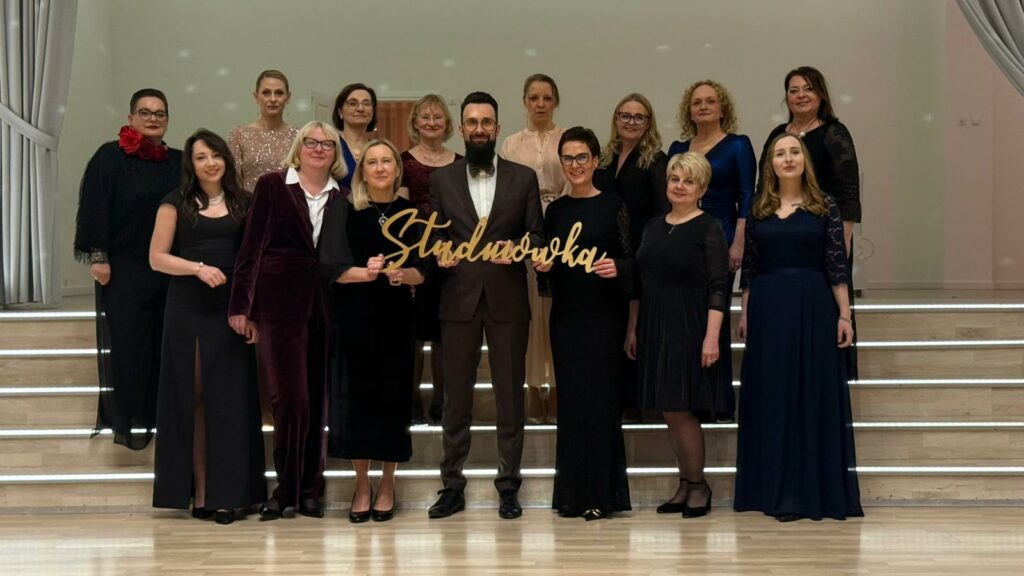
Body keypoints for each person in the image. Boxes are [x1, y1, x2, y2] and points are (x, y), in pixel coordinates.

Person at [427, 91, 544, 520]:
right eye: (472, 122)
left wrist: (519, 248)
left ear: (497, 127)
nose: (479, 129)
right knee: (455, 398)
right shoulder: (441, 180)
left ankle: (508, 486)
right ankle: (451, 485)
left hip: (507, 300)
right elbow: (434, 234)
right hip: (457, 299)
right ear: (462, 128)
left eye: (486, 122)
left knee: (510, 397)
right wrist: (439, 250)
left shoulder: (523, 177)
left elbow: (537, 234)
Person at [734, 133, 862, 522]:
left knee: (811, 395)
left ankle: (810, 491)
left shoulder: (826, 206)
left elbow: (837, 265)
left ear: (804, 159)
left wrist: (845, 315)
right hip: (768, 309)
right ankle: (774, 490)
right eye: (780, 153)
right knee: (773, 396)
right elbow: (750, 269)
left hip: (814, 307)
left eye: (794, 152)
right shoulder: (758, 208)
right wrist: (745, 314)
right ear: (770, 164)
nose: (787, 158)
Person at [227, 121, 347, 521]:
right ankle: (285, 490)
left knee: (317, 400)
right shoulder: (272, 186)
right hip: (279, 307)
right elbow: (251, 248)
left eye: (327, 144)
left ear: (335, 153)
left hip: (326, 306)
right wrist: (241, 306)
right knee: (289, 399)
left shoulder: (343, 197)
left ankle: (311, 490)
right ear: (299, 148)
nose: (318, 148)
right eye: (311, 142)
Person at [150, 129, 266, 525]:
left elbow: (255, 261)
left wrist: (251, 312)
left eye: (216, 155)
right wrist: (197, 268)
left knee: (230, 401)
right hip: (188, 307)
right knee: (195, 400)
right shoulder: (175, 203)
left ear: (226, 159)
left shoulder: (245, 202)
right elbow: (157, 258)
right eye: (201, 157)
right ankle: (201, 492)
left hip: (232, 308)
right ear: (191, 164)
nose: (210, 163)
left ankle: (229, 496)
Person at [320, 139, 428, 523]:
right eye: (372, 162)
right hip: (353, 317)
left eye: (387, 161)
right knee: (357, 403)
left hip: (395, 318)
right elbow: (330, 267)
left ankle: (387, 483)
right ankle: (362, 484)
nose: (380, 168)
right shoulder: (344, 209)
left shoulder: (411, 213)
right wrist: (364, 273)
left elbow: (424, 270)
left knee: (392, 402)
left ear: (397, 169)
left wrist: (403, 274)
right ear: (362, 171)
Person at [74, 88, 183, 450]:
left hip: (167, 268)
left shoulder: (178, 161)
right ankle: (129, 419)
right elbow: (94, 206)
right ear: (131, 117)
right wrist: (99, 257)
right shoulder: (110, 157)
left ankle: (162, 416)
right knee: (129, 344)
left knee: (165, 343)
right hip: (124, 268)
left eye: (160, 113)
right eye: (145, 112)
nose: (153, 119)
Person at [536, 127, 632, 520]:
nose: (574, 165)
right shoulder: (555, 211)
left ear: (595, 161)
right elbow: (548, 271)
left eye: (581, 157)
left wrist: (619, 267)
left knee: (602, 403)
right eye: (568, 158)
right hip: (567, 318)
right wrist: (543, 266)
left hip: (605, 316)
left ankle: (602, 496)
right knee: (572, 405)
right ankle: (572, 496)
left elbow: (632, 261)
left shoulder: (614, 205)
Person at [628, 152, 731, 519]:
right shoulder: (653, 226)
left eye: (689, 181)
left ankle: (699, 485)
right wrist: (633, 328)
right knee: (669, 410)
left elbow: (719, 285)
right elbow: (638, 282)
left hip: (692, 326)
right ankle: (685, 483)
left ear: (701, 189)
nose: (680, 186)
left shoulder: (709, 227)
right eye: (675, 179)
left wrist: (711, 337)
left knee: (680, 408)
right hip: (656, 324)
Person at [756, 66, 861, 377]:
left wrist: (843, 234)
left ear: (821, 95)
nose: (800, 95)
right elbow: (764, 183)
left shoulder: (834, 132)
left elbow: (848, 189)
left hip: (822, 234)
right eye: (794, 90)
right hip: (780, 234)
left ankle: (824, 372)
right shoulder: (778, 135)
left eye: (808, 89)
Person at [666, 79, 754, 414]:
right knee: (688, 315)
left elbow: (747, 195)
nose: (703, 106)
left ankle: (717, 400)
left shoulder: (738, 145)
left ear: (722, 108)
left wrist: (739, 241)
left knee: (714, 314)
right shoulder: (678, 147)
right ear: (689, 111)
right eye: (697, 102)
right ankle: (690, 393)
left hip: (722, 234)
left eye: (710, 101)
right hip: (685, 236)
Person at [594, 93, 669, 422]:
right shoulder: (605, 158)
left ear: (649, 122)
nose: (631, 122)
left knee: (637, 329)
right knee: (612, 325)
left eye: (639, 117)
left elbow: (662, 212)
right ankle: (612, 398)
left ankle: (637, 402)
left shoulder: (657, 160)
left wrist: (647, 253)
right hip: (607, 253)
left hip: (641, 252)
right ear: (616, 119)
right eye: (625, 115)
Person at [500, 73, 569, 424]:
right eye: (534, 98)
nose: (540, 104)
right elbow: (505, 190)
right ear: (525, 101)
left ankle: (556, 389)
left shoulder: (567, 138)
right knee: (529, 310)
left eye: (547, 97)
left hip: (561, 227)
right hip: (524, 229)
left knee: (556, 311)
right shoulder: (511, 144)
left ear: (555, 101)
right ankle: (532, 388)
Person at [397, 94, 462, 425]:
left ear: (447, 123)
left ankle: (441, 404)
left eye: (438, 117)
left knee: (444, 333)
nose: (432, 122)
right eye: (425, 117)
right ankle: (411, 404)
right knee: (414, 334)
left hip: (452, 253)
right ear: (415, 123)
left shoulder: (461, 162)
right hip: (415, 253)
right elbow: (400, 213)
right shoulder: (403, 161)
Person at [229, 70, 300, 192]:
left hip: (289, 202)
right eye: (266, 93)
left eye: (279, 93)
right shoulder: (240, 135)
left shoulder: (299, 137)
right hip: (249, 203)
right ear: (256, 97)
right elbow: (233, 182)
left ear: (288, 98)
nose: (273, 99)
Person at [331, 83, 378, 190]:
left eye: (366, 104)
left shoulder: (377, 149)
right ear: (340, 111)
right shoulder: (331, 147)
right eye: (353, 104)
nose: (360, 108)